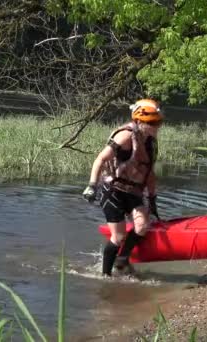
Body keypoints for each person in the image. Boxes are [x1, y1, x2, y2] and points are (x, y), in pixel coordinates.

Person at [82, 99, 162, 276]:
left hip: (133, 192)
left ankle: (122, 259)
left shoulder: (151, 143)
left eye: (158, 122)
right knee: (117, 237)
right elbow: (100, 159)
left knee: (142, 226)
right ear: (139, 121)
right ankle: (105, 276)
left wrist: (152, 199)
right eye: (152, 123)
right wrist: (92, 185)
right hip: (113, 191)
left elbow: (149, 173)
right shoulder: (125, 137)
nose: (156, 127)